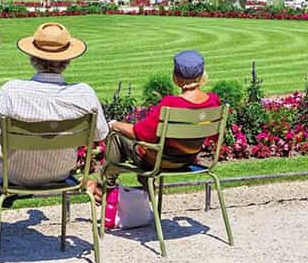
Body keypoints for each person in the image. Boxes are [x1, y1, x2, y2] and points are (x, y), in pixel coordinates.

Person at [0, 22, 109, 186]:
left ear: (33, 57)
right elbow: (101, 136)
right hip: (61, 173)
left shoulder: (11, 92)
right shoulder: (84, 94)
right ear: (67, 59)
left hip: (14, 176)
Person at [88, 49, 219, 201]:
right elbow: (214, 135)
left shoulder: (171, 104)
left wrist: (113, 124)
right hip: (187, 160)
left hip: (160, 162)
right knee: (149, 143)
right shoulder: (213, 101)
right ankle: (145, 183)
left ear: (176, 78)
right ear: (202, 75)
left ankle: (105, 188)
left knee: (117, 137)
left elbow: (141, 134)